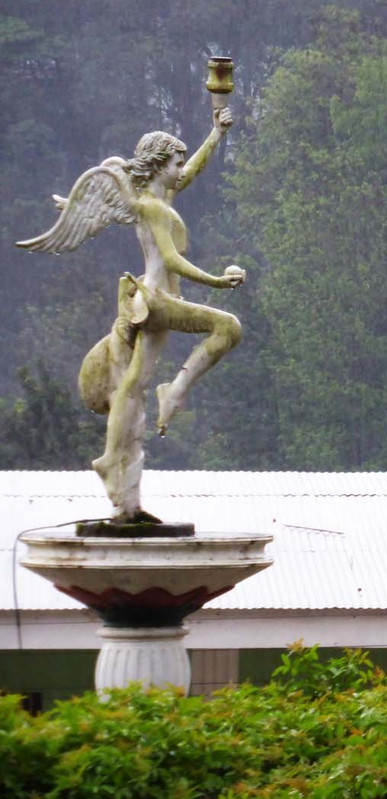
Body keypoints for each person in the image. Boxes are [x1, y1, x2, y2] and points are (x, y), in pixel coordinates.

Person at [17, 106, 246, 523]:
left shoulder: (158, 198)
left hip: (147, 300)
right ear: (159, 166)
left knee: (134, 383)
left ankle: (117, 473)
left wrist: (215, 134)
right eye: (174, 163)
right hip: (157, 298)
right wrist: (216, 282)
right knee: (227, 326)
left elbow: (191, 171)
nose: (180, 170)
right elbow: (172, 261)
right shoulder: (153, 208)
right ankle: (174, 392)